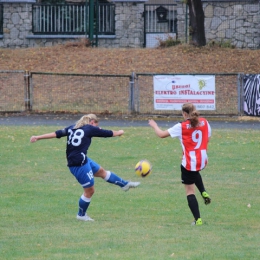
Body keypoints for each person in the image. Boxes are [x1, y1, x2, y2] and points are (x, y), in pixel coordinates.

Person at [30, 114, 140, 222]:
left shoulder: (72, 128)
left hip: (82, 159)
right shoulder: (90, 128)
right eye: (96, 125)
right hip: (78, 165)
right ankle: (81, 215)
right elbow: (107, 133)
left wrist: (38, 137)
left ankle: (124, 184)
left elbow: (56, 133)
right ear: (92, 122)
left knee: (101, 171)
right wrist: (119, 132)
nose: (96, 128)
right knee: (90, 191)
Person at [148, 103, 211, 226]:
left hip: (189, 162)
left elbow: (161, 135)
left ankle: (198, 220)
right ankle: (203, 191)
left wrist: (154, 126)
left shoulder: (181, 126)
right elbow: (207, 138)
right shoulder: (205, 122)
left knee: (189, 191)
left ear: (185, 114)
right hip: (203, 159)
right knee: (195, 171)